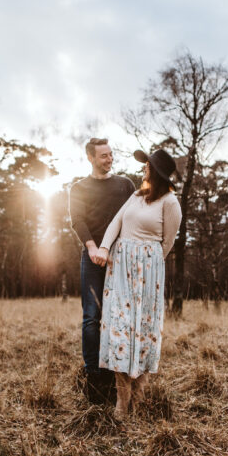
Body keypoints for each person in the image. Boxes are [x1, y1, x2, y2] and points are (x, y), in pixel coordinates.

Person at [95, 149, 181, 419]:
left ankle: (139, 398)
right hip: (120, 269)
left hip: (148, 272)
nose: (144, 169)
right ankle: (122, 400)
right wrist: (106, 248)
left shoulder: (170, 202)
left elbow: (166, 243)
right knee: (120, 330)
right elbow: (115, 223)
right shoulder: (135, 196)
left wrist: (147, 262)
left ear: (157, 172)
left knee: (143, 332)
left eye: (148, 166)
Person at [68, 138, 136, 403]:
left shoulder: (125, 185)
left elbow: (134, 214)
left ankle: (117, 373)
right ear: (91, 158)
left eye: (111, 154)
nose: (109, 159)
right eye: (104, 156)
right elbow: (78, 220)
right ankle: (93, 375)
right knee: (92, 317)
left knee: (120, 316)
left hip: (122, 258)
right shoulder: (79, 188)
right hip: (93, 257)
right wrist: (93, 248)